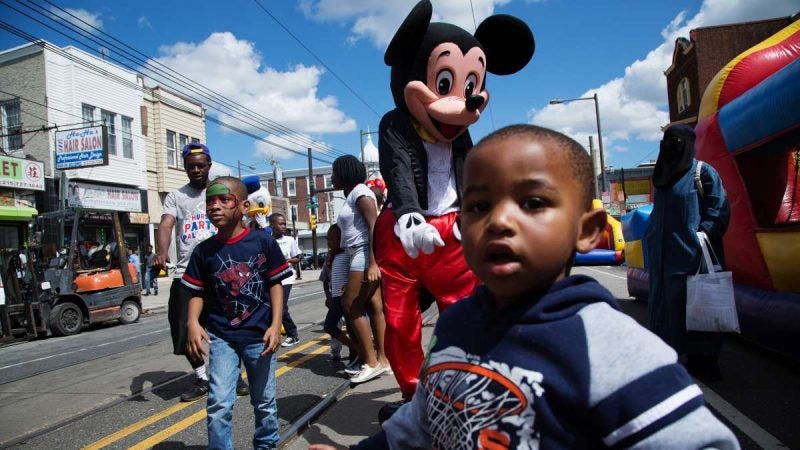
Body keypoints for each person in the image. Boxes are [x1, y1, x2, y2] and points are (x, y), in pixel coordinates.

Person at [311, 124, 739, 450]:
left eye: (533, 202)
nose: (498, 221)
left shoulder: (611, 345)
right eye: (478, 205)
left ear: (587, 230)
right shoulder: (456, 323)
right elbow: (424, 419)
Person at [183, 176, 292, 450]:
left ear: (244, 206)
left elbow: (275, 283)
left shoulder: (262, 242)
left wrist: (276, 324)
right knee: (219, 402)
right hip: (221, 337)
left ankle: (266, 445)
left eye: (224, 199)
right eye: (210, 201)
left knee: (264, 402)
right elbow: (196, 292)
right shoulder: (203, 251)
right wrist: (192, 322)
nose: (215, 206)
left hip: (259, 337)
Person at [155, 142, 249, 402]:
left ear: (209, 166)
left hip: (221, 270)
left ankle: (234, 375)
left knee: (229, 327)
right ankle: (202, 378)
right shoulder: (176, 196)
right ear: (185, 168)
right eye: (190, 166)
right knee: (184, 328)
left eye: (200, 165)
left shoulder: (220, 192)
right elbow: (166, 224)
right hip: (187, 273)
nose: (195, 170)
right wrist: (161, 251)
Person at [646, 124, 731, 381]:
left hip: (693, 259)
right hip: (663, 259)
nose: (670, 145)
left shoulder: (702, 172)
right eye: (667, 139)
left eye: (676, 140)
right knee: (665, 309)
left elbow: (719, 210)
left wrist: (701, 236)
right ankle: (670, 356)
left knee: (698, 308)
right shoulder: (661, 176)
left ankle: (705, 360)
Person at [331, 155, 389, 384]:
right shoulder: (353, 194)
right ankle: (383, 360)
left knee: (351, 304)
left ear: (344, 173)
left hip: (364, 252)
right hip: (358, 253)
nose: (332, 177)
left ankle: (370, 362)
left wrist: (374, 263)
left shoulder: (360, 193)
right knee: (375, 306)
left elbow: (375, 226)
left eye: (335, 173)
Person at [318, 224, 357, 364]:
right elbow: (325, 280)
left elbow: (355, 273)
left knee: (353, 329)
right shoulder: (330, 257)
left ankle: (356, 357)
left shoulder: (348, 253)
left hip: (347, 297)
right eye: (328, 239)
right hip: (336, 298)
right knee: (329, 325)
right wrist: (328, 296)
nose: (330, 242)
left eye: (334, 239)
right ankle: (354, 347)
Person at [269, 213, 302, 347]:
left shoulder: (289, 240)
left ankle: (293, 335)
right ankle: (275, 331)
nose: (284, 226)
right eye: (280, 224)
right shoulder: (268, 240)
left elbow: (297, 258)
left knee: (281, 307)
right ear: (272, 225)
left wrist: (287, 260)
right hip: (271, 279)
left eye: (284, 224)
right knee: (272, 307)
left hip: (286, 278)